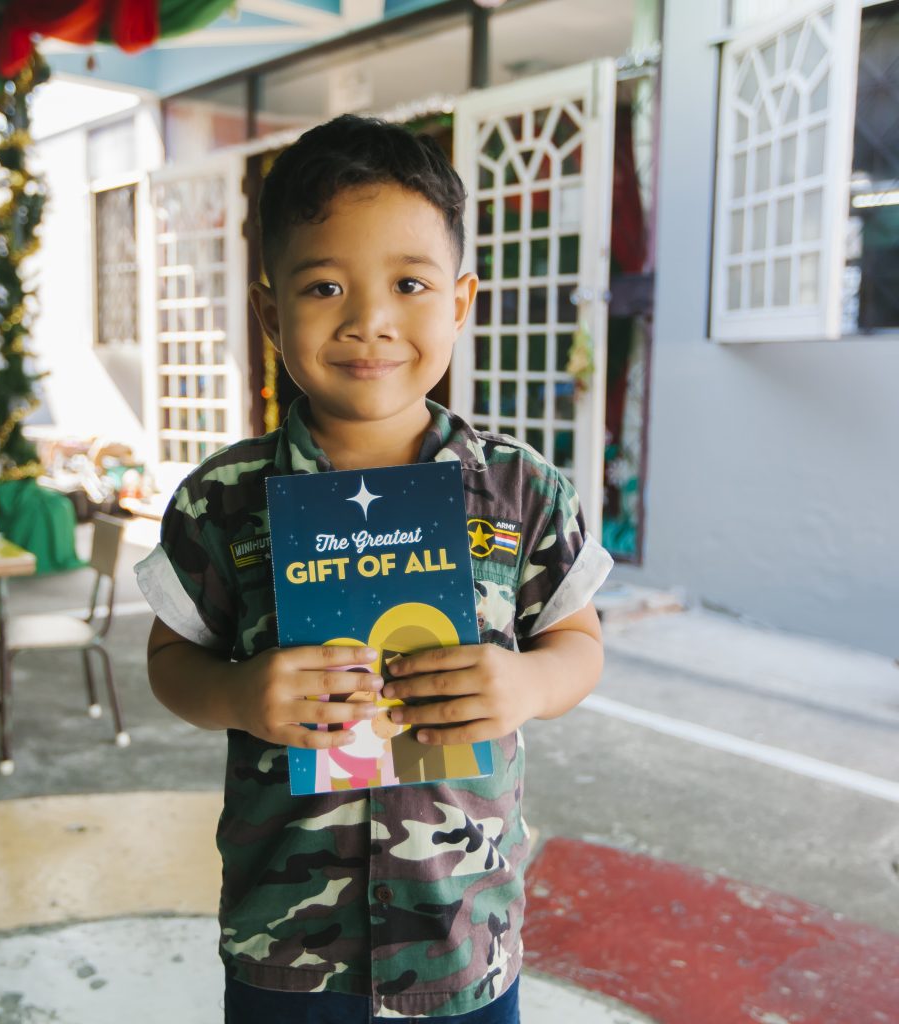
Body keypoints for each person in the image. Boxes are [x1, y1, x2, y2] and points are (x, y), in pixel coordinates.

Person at [135, 114, 613, 1023]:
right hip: (287, 945)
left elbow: (580, 644)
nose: (369, 322)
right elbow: (170, 660)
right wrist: (237, 695)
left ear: (460, 302)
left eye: (409, 283)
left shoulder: (521, 491)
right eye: (324, 286)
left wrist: (529, 683)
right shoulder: (223, 500)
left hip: (463, 935)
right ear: (270, 313)